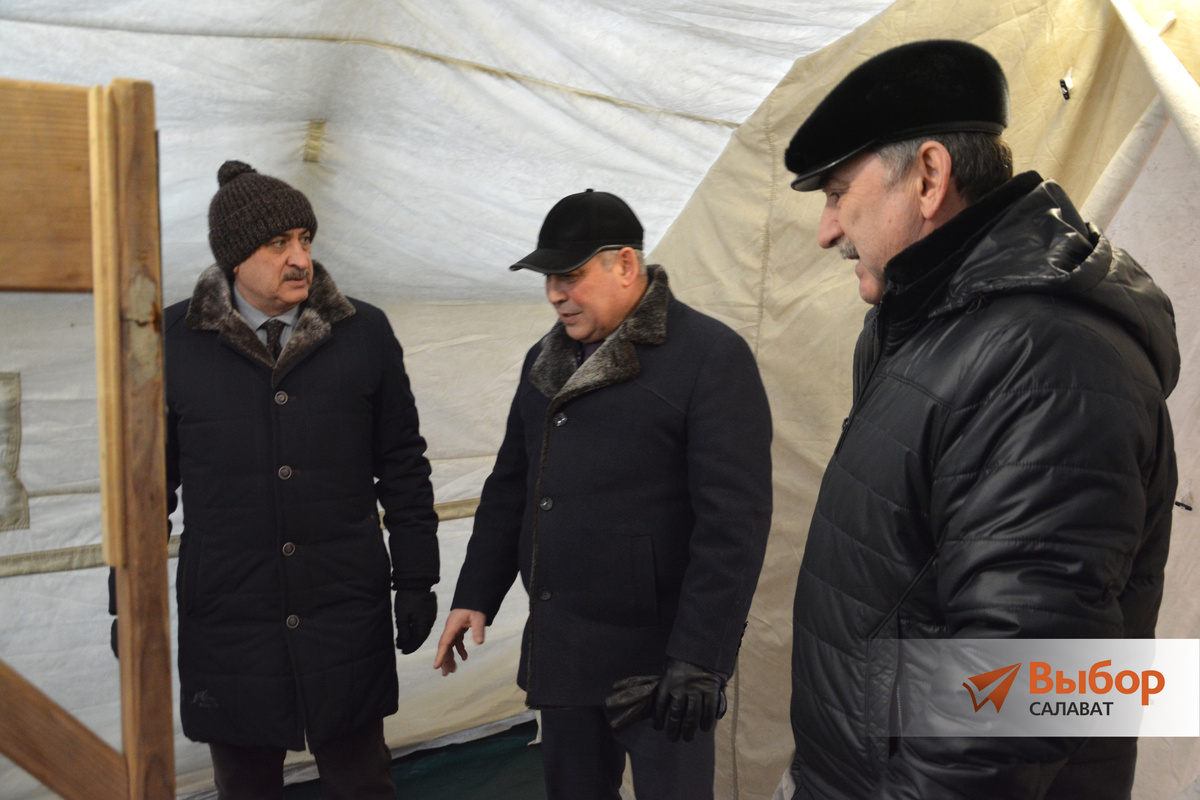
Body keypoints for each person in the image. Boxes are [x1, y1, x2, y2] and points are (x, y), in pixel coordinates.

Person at [782, 40, 1179, 799]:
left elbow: (1023, 683)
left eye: (837, 194)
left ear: (929, 177)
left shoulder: (1049, 362)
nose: (827, 230)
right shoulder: (925, 324)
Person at [111, 160, 440, 799]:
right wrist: (128, 600)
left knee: (361, 780)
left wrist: (416, 576)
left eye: (305, 239)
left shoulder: (363, 332)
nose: (300, 258)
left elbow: (403, 463)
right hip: (231, 610)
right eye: (278, 243)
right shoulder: (170, 341)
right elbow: (144, 492)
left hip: (342, 603)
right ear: (235, 256)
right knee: (245, 785)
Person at [433, 189, 773, 800]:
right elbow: (511, 484)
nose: (555, 294)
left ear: (625, 265)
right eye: (548, 279)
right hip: (564, 646)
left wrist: (700, 659)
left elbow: (734, 523)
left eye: (570, 276)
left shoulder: (710, 356)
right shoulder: (544, 359)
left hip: (660, 665)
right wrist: (475, 593)